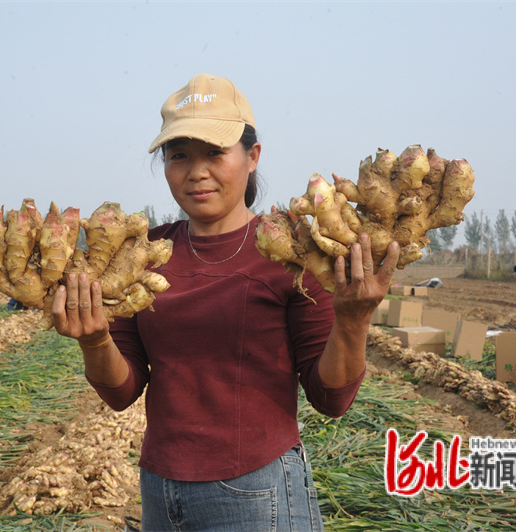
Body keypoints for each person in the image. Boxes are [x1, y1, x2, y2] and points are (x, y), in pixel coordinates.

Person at [52, 73, 399, 531]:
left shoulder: (293, 252)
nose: (196, 172)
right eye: (179, 156)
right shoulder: (141, 255)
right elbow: (122, 391)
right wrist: (95, 340)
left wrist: (353, 321)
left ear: (252, 156)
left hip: (258, 492)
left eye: (215, 153)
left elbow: (330, 397)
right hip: (160, 487)